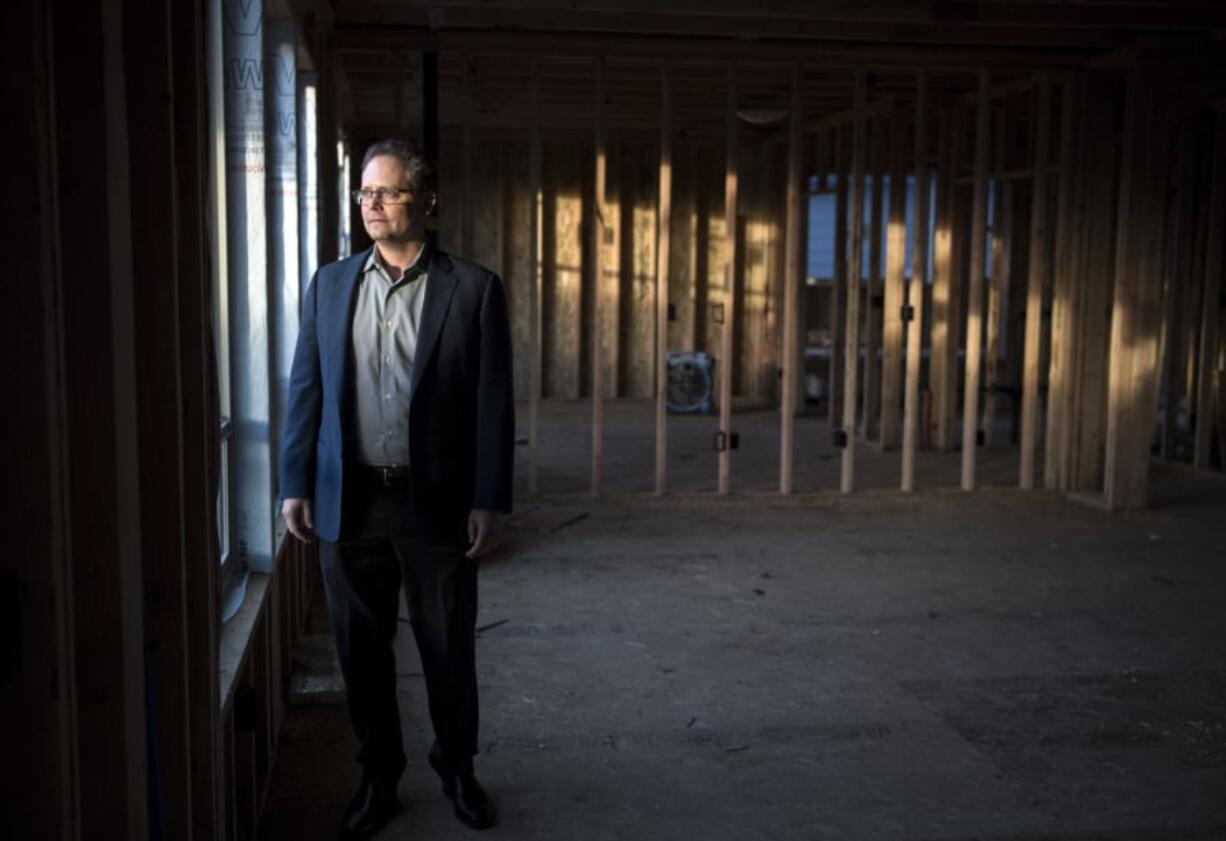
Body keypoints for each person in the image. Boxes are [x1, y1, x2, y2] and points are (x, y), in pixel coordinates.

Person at [279, 139, 514, 839]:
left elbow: (493, 403)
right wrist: (295, 480)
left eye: (387, 193)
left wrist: (489, 496)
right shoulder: (329, 284)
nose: (371, 206)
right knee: (361, 649)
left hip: (434, 499)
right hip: (349, 500)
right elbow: (306, 389)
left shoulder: (473, 289)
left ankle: (457, 768)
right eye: (364, 194)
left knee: (448, 648)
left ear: (427, 203)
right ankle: (379, 776)